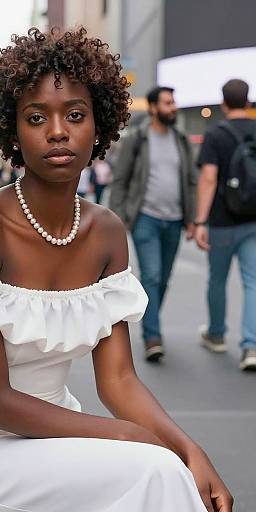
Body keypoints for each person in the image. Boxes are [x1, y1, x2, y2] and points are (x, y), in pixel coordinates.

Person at [0, 27, 231, 512]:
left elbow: (119, 380)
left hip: (60, 435)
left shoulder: (105, 232)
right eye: (36, 117)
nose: (57, 131)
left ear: (99, 125)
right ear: (12, 131)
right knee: (156, 471)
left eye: (75, 115)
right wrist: (127, 436)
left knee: (171, 469)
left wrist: (189, 449)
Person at [109, 86, 197, 362]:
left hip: (174, 220)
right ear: (154, 108)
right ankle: (152, 337)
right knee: (152, 275)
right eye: (168, 103)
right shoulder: (138, 139)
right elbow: (120, 179)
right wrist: (118, 217)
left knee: (163, 278)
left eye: (174, 102)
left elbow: (191, 182)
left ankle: (152, 321)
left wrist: (193, 219)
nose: (174, 107)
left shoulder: (181, 140)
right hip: (145, 217)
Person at [195, 78, 256, 371]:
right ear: (247, 101)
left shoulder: (216, 134)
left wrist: (200, 220)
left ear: (223, 102)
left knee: (217, 279)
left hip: (221, 220)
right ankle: (251, 346)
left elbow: (208, 178)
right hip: (253, 220)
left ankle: (217, 335)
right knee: (253, 282)